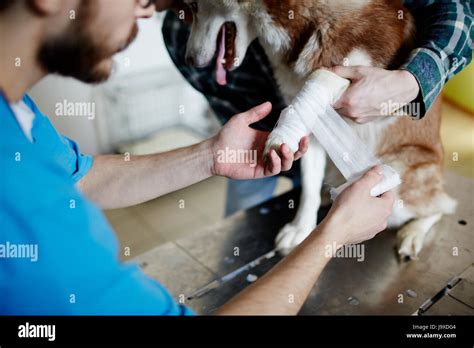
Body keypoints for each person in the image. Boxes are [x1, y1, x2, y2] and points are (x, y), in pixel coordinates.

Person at [0, 0, 393, 316]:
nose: (147, 7)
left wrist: (210, 156)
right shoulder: (23, 210)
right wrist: (333, 234)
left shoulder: (18, 117)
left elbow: (81, 178)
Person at [162, 0, 473, 215]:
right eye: (174, 7)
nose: (184, 15)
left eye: (191, 6)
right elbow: (235, 109)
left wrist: (413, 81)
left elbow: (457, 9)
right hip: (268, 148)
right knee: (249, 218)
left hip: (370, 153)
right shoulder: (177, 35)